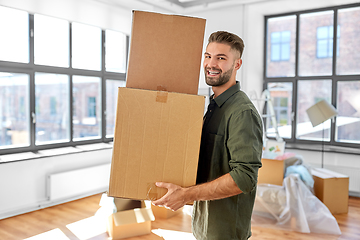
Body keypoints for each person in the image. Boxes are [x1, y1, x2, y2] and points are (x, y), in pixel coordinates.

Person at [152, 31, 263, 240]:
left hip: (225, 230)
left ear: (237, 64)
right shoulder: (213, 106)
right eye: (207, 56)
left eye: (221, 58)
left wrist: (185, 195)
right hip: (204, 223)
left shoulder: (242, 112)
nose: (211, 64)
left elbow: (245, 177)